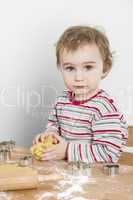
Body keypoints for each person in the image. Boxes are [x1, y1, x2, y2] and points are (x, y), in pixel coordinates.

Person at [33, 25, 128, 163]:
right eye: (70, 68)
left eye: (88, 67)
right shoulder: (62, 100)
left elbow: (109, 153)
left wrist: (66, 150)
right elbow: (54, 125)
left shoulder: (103, 108)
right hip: (68, 173)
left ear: (105, 69)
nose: (78, 77)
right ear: (60, 68)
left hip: (95, 176)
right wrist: (50, 135)